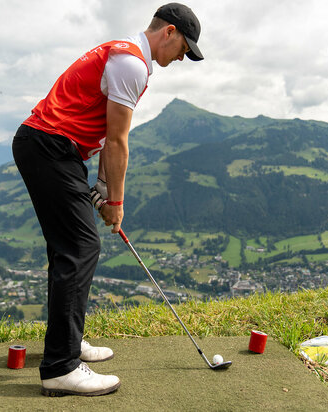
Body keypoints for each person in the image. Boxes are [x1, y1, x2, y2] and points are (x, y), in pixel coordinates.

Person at [12, 3, 203, 397]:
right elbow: (117, 141)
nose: (182, 58)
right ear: (168, 31)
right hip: (49, 147)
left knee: (68, 249)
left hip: (50, 147)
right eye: (184, 48)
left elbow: (103, 132)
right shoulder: (131, 64)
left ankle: (66, 343)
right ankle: (62, 367)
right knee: (81, 248)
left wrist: (101, 186)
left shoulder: (124, 55)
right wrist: (115, 201)